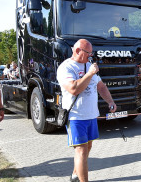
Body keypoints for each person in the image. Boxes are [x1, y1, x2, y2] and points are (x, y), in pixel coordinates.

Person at [56, 39, 117, 182]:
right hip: (75, 116)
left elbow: (100, 86)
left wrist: (110, 101)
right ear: (77, 51)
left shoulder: (89, 65)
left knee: (87, 147)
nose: (91, 56)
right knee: (81, 150)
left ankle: (75, 175)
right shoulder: (66, 67)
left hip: (90, 115)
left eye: (91, 53)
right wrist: (89, 74)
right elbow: (73, 89)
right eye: (88, 53)